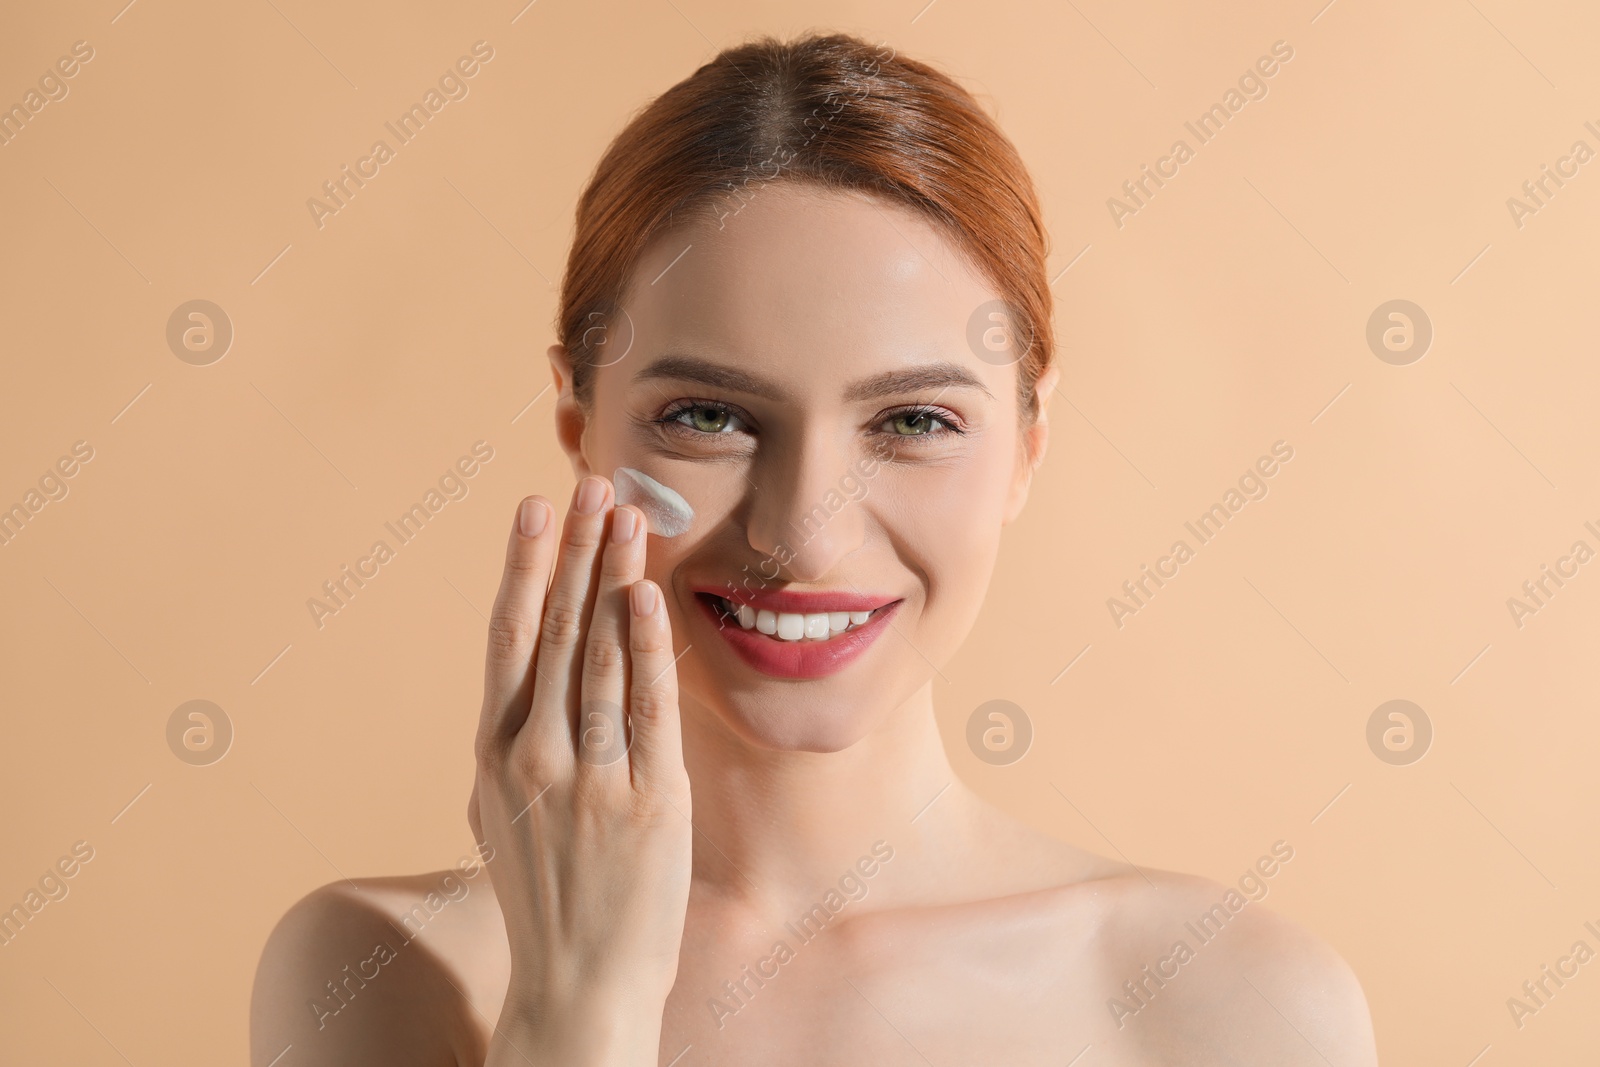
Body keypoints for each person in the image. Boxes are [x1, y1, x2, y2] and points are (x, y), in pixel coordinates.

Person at [250, 31, 1378, 1065]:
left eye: (913, 422)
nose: (801, 534)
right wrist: (575, 1004)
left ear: (1028, 444)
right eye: (710, 415)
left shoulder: (1231, 1005)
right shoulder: (382, 972)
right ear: (575, 424)